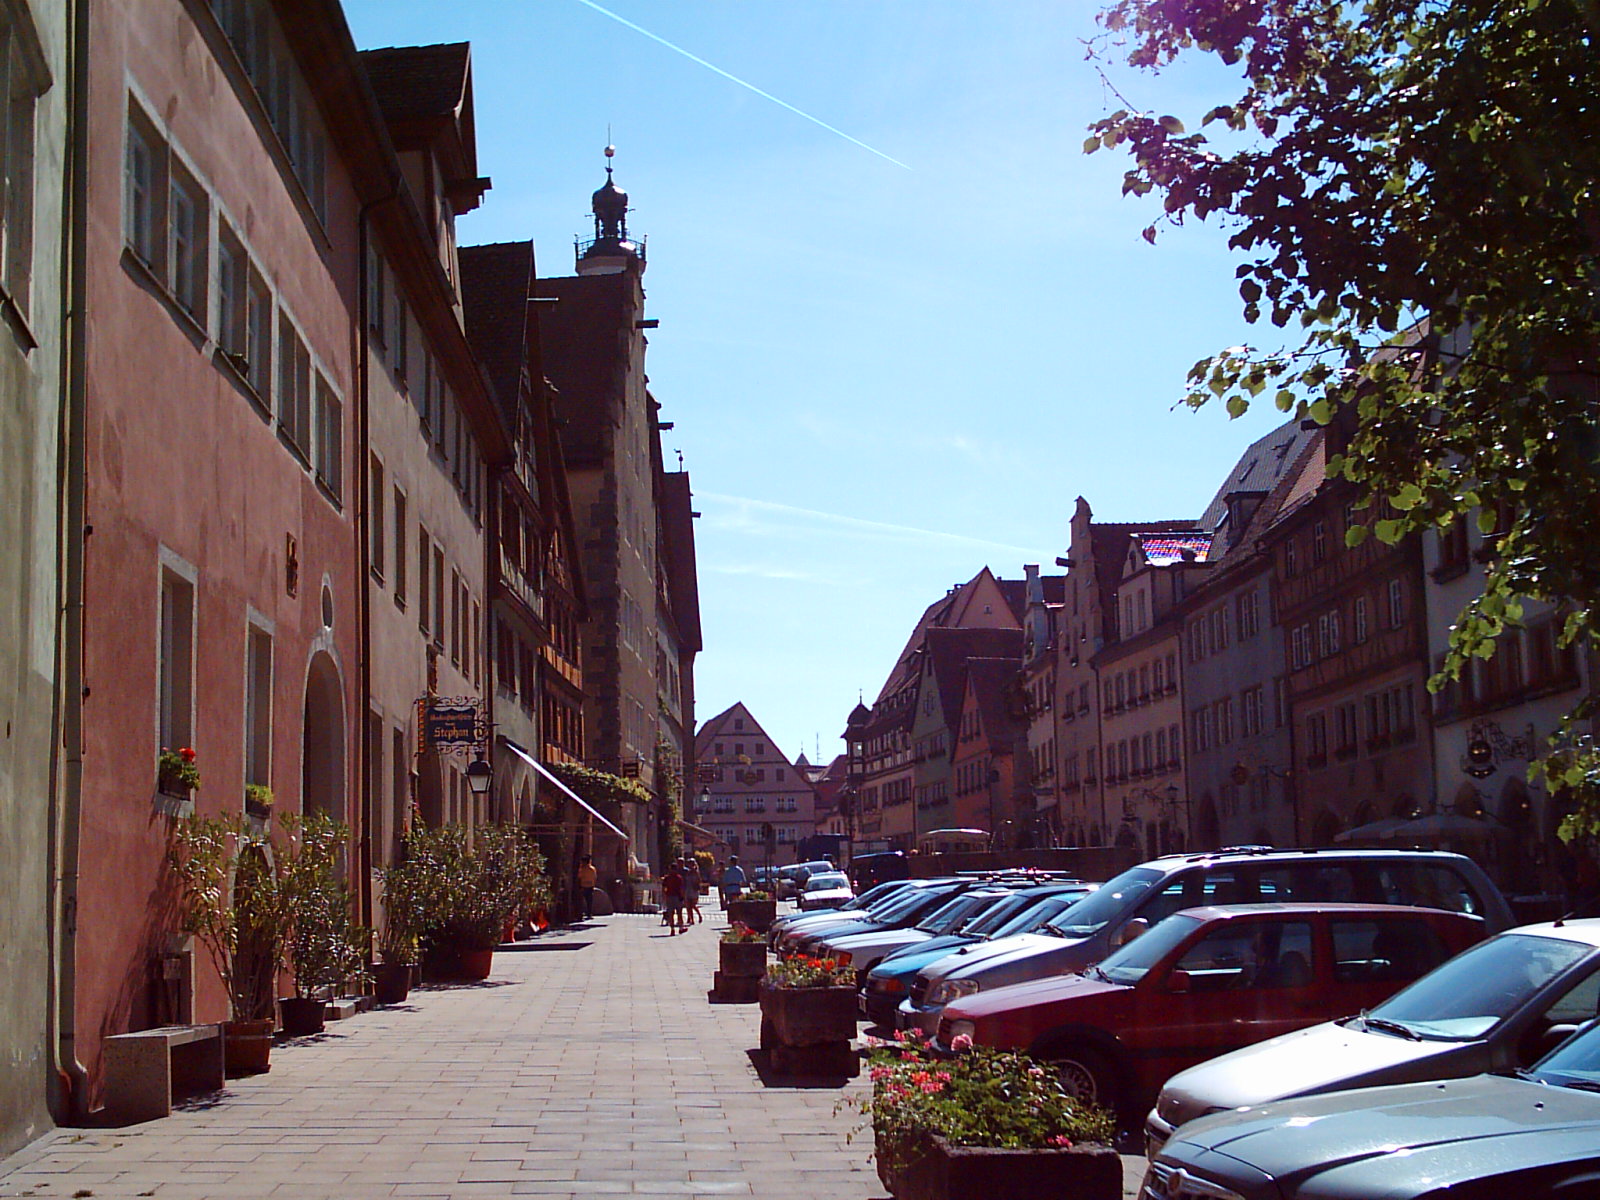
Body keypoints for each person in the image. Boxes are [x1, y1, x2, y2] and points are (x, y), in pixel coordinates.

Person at [661, 860, 686, 934]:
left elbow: (664, 888)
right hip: (677, 897)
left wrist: (664, 896)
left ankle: (672, 929)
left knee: (671, 914)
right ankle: (681, 928)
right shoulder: (679, 878)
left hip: (669, 896)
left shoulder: (667, 878)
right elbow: (681, 888)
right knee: (679, 913)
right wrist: (683, 897)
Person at [576, 855, 598, 921]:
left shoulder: (582, 869)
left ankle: (581, 913)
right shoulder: (592, 869)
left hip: (583, 886)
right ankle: (589, 913)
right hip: (590, 886)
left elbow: (579, 877)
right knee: (589, 901)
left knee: (581, 901)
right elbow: (594, 877)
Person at [684, 857, 703, 926]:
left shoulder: (696, 872)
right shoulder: (688, 872)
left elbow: (698, 881)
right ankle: (691, 919)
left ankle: (699, 915)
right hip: (688, 889)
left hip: (694, 890)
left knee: (692, 905)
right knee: (688, 906)